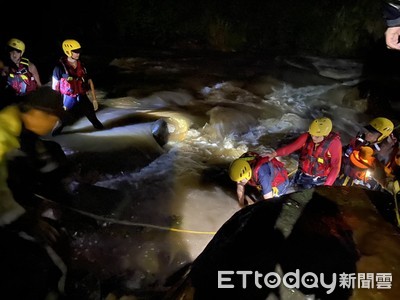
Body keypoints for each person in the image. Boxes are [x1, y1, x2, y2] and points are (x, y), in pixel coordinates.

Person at [0, 86, 69, 299]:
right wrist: (28, 222)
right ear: (38, 113)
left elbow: (46, 166)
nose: (55, 124)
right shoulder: (3, 136)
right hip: (6, 214)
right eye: (54, 118)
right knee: (41, 261)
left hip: (15, 204)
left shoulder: (26, 132)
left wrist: (65, 195)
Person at [267, 117, 342, 189]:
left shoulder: (334, 144)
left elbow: (335, 167)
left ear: (325, 135)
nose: (313, 138)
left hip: (320, 179)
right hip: (302, 174)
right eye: (312, 135)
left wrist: (326, 186)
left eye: (317, 137)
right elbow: (290, 148)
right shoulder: (307, 137)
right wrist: (274, 154)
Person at [51, 39, 103, 135]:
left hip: (81, 95)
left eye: (79, 51)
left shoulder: (82, 65)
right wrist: (57, 106)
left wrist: (95, 99)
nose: (78, 54)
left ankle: (103, 133)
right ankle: (54, 137)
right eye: (76, 52)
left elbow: (89, 81)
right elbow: (54, 87)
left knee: (94, 119)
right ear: (68, 51)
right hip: (68, 97)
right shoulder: (59, 68)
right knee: (62, 122)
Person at [336, 117, 395, 189]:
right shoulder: (360, 140)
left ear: (381, 137)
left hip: (357, 184)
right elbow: (347, 149)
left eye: (372, 133)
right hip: (342, 173)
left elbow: (380, 175)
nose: (367, 134)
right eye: (368, 130)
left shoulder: (380, 155)